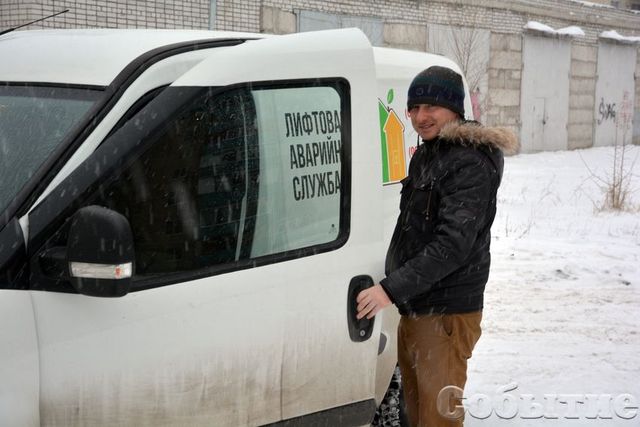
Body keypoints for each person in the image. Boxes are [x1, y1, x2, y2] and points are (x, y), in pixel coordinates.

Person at [357, 65, 518, 426]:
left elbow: (452, 245)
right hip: (419, 306)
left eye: (431, 106)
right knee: (415, 416)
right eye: (414, 108)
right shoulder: (431, 153)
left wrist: (390, 289)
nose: (420, 117)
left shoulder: (469, 163)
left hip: (445, 313)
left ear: (454, 108)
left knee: (436, 419)